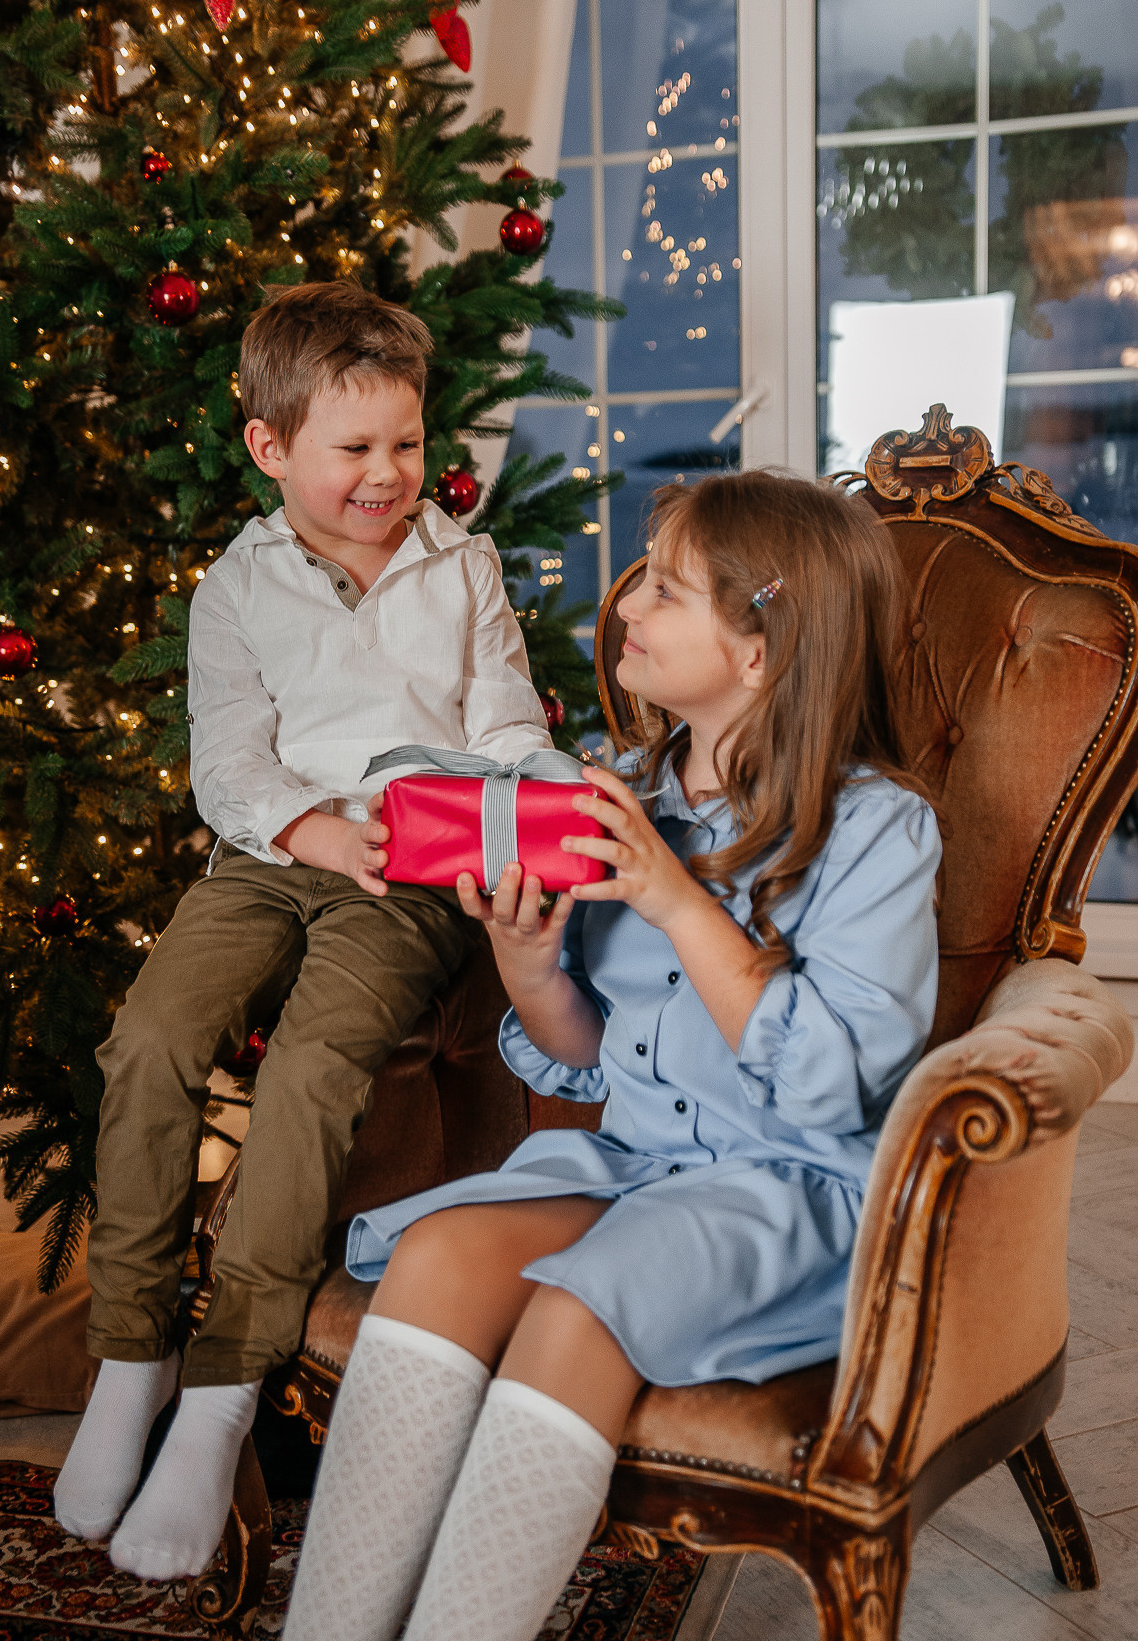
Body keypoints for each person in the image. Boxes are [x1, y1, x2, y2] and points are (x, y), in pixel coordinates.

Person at [281, 468, 943, 1641]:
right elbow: (585, 1057)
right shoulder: (614, 792)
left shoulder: (876, 829)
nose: (624, 606)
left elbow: (830, 1086)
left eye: (665, 591)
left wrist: (677, 899)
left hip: (785, 1188)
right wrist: (529, 961)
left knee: (580, 1306)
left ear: (759, 653)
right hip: (633, 1167)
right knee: (436, 1255)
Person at [52, 281, 553, 1581]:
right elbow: (226, 759)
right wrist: (309, 829)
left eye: (407, 442)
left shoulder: (463, 568)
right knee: (151, 1040)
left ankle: (221, 1393)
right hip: (269, 858)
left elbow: (505, 722)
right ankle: (131, 1352)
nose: (388, 473)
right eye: (355, 447)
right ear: (271, 447)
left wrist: (526, 795)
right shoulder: (237, 586)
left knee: (315, 1069)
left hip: (409, 874)